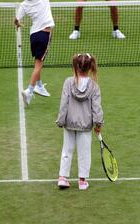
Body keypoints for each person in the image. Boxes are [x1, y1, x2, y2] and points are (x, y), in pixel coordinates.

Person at [14, 0, 61, 105]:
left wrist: (18, 24)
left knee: (37, 61)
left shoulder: (23, 5)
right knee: (39, 64)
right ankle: (29, 90)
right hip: (44, 35)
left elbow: (17, 20)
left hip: (33, 35)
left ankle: (39, 86)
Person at [55, 53, 104, 191]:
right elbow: (97, 108)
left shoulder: (68, 82)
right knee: (84, 152)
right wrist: (98, 124)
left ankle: (63, 178)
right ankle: (82, 181)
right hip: (85, 125)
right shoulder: (94, 86)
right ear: (90, 68)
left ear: (76, 66)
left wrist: (60, 121)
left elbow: (63, 104)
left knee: (67, 150)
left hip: (69, 123)